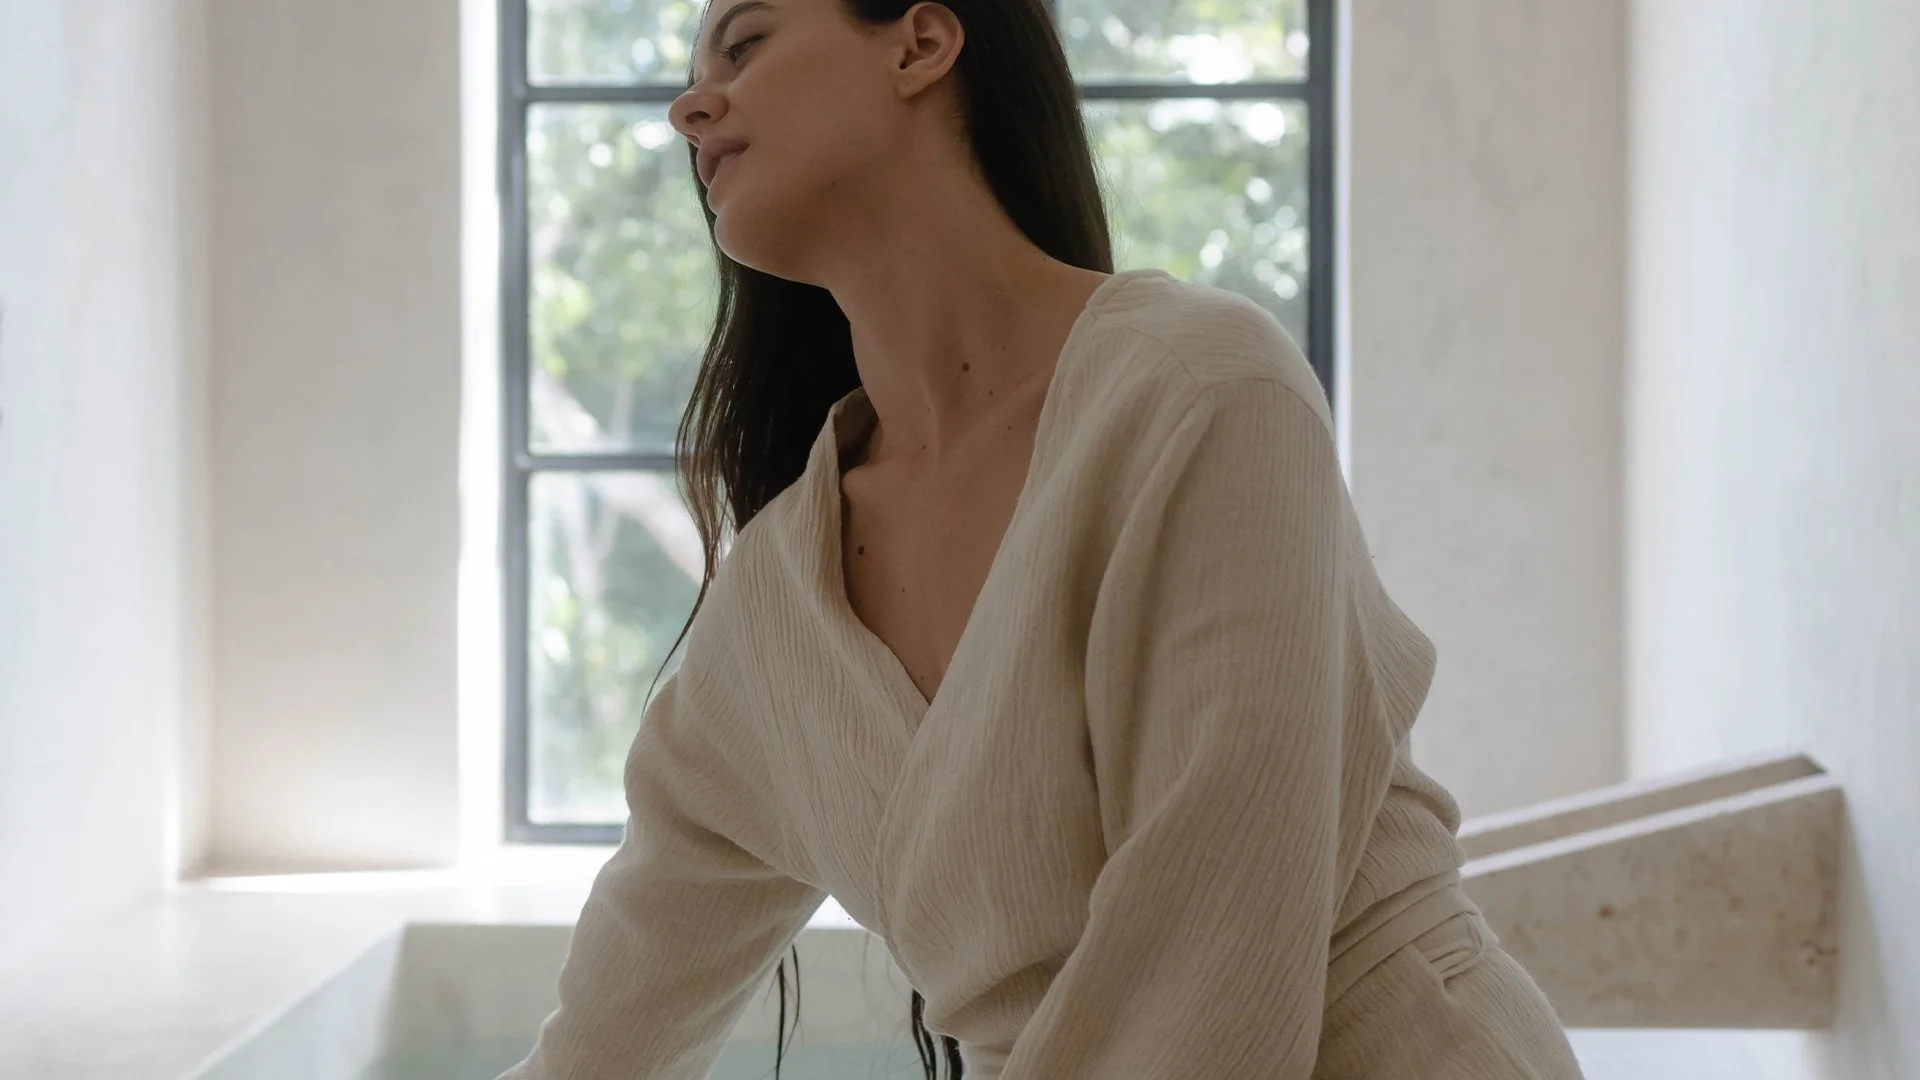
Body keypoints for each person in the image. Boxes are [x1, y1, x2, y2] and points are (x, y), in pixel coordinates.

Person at [497, 0, 1588, 1077]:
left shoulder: (1199, 390)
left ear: (921, 42)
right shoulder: (772, 615)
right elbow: (599, 1047)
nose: (692, 105)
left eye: (746, 42)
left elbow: (1210, 968)